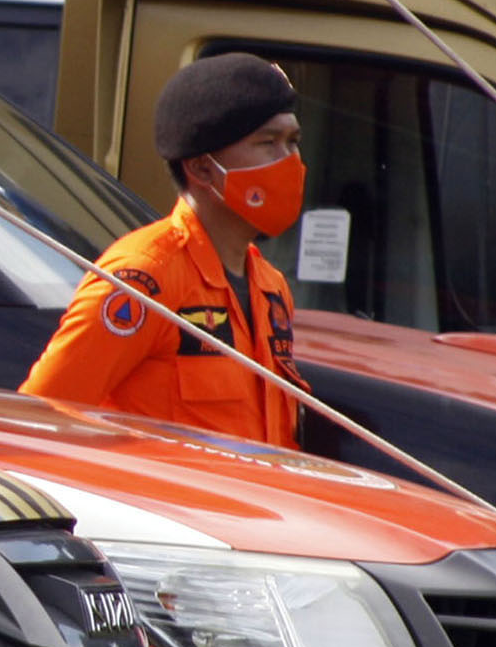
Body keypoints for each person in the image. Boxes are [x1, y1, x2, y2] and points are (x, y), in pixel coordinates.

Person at [21, 52, 309, 445]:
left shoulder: (270, 287)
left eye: (293, 142)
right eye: (268, 143)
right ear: (203, 169)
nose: (289, 161)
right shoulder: (144, 278)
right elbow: (37, 421)